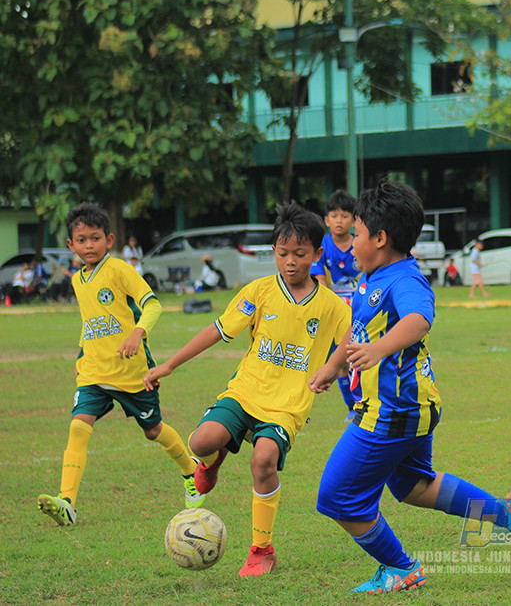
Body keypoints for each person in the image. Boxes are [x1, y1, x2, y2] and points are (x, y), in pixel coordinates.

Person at [308, 180, 511, 594]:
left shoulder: (404, 279)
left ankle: (402, 568)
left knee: (336, 498)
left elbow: (418, 319)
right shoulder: (373, 277)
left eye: (357, 235)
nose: (350, 245)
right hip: (408, 405)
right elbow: (357, 333)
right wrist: (334, 366)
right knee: (415, 487)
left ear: (381, 238)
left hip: (392, 410)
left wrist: (379, 349)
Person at [143, 203, 352, 577]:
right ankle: (214, 460)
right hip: (246, 391)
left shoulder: (333, 306)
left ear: (318, 254)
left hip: (287, 405)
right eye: (282, 253)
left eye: (300, 254)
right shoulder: (258, 291)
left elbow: (351, 346)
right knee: (201, 442)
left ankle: (261, 549)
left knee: (263, 461)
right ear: (273, 252)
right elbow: (216, 330)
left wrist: (331, 368)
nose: (290, 262)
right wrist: (170, 364)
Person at [37, 203, 201, 527]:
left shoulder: (119, 270)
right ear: (70, 245)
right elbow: (90, 321)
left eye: (95, 238)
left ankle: (191, 472)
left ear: (109, 240)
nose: (88, 246)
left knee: (153, 430)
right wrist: (81, 353)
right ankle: (67, 501)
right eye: (81, 240)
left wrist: (137, 334)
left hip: (131, 372)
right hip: (94, 371)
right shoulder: (77, 280)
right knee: (78, 425)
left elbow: (152, 305)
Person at [310, 190, 362, 420]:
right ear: (326, 220)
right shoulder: (321, 247)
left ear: (353, 220)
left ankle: (365, 402)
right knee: (341, 361)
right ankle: (353, 408)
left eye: (344, 216)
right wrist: (333, 309)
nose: (339, 221)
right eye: (334, 216)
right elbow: (321, 284)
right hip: (336, 312)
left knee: (361, 358)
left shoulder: (361, 243)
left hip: (361, 308)